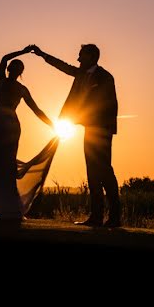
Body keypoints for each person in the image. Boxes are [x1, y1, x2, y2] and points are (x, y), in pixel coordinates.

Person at [31, 43, 120, 227]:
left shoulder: (105, 77)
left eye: (81, 56)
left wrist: (77, 118)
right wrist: (42, 54)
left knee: (104, 171)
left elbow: (100, 104)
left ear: (92, 57)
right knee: (93, 173)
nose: (78, 59)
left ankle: (115, 217)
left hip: (102, 129)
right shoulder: (81, 74)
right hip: (90, 129)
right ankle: (96, 217)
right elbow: (62, 66)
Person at [0, 47, 58, 219]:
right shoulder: (6, 83)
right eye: (14, 68)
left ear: (16, 71)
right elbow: (36, 110)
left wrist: (53, 125)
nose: (14, 70)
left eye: (16, 68)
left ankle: (5, 205)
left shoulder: (11, 85)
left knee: (1, 164)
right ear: (13, 70)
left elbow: (36, 110)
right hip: (1, 125)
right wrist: (53, 125)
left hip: (5, 125)